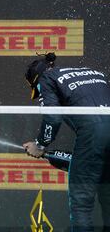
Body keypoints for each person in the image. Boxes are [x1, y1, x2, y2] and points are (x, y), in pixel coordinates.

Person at [22, 52, 110, 232]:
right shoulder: (92, 72)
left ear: (36, 80)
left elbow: (53, 118)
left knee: (81, 203)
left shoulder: (46, 78)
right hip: (100, 136)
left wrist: (40, 145)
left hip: (93, 134)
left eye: (36, 90)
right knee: (108, 196)